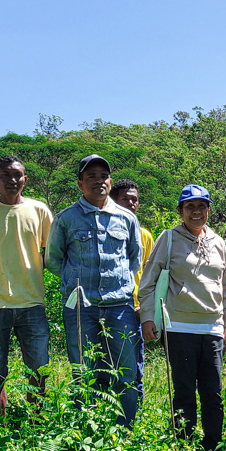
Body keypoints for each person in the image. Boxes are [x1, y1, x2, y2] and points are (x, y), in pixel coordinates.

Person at [47, 154, 143, 426]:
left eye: (103, 176)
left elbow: (134, 258)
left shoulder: (126, 218)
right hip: (81, 307)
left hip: (120, 306)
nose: (98, 181)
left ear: (110, 182)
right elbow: (54, 259)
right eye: (91, 177)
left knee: (125, 372)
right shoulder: (66, 219)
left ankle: (123, 431)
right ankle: (85, 430)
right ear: (80, 184)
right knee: (84, 370)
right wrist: (74, 282)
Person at [140, 185, 226, 451]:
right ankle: (184, 447)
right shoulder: (168, 239)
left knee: (213, 392)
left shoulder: (218, 243)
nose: (196, 212)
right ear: (180, 211)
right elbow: (148, 283)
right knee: (183, 391)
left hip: (212, 327)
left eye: (201, 206)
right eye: (190, 207)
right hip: (179, 326)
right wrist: (147, 317)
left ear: (208, 210)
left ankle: (214, 449)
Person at [0, 157, 53, 417]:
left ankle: (37, 423)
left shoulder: (39, 211)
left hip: (32, 303)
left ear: (25, 179)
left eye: (17, 176)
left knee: (38, 370)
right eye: (5, 175)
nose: (12, 181)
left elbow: (52, 255)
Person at [109, 178, 154, 404]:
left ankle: (134, 416)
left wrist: (146, 307)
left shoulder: (145, 236)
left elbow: (150, 274)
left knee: (135, 365)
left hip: (134, 308)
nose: (131, 203)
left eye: (134, 200)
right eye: (125, 199)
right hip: (108, 305)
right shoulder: (104, 230)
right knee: (106, 363)